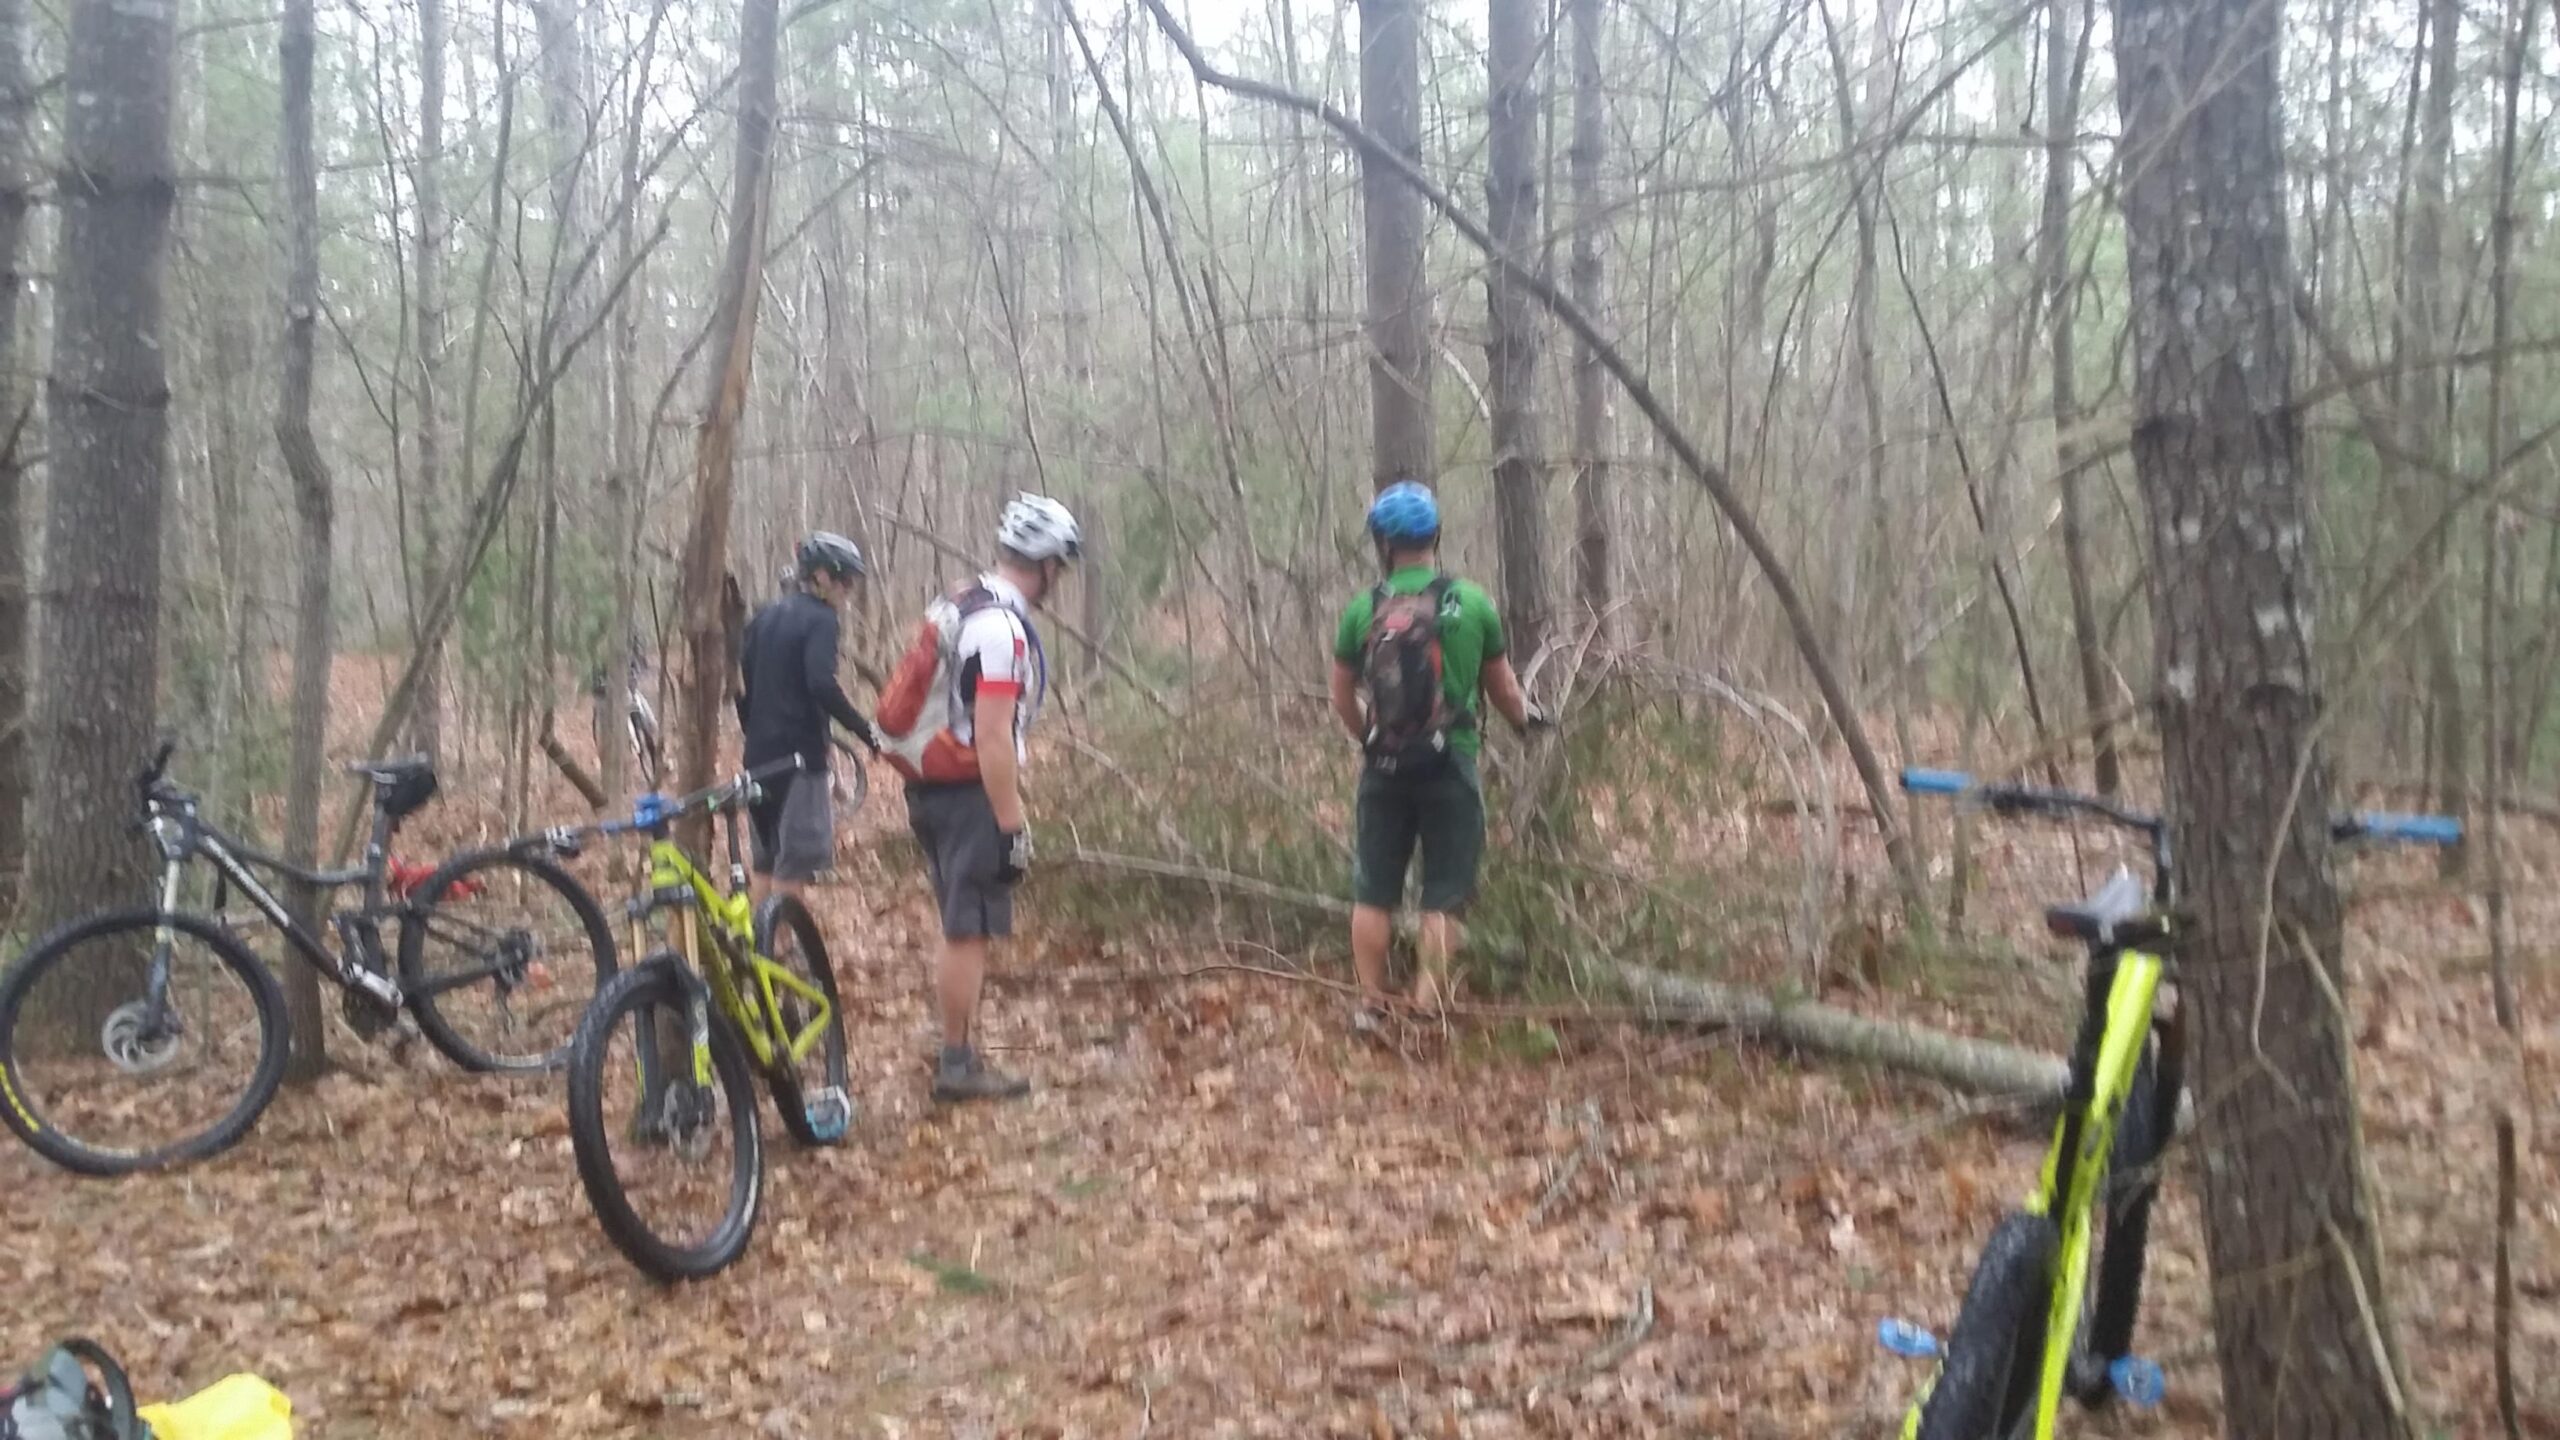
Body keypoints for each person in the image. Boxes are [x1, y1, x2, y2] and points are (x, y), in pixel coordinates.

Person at [874, 494, 1080, 1103]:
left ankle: (958, 1047)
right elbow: (992, 734)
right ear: (1043, 563)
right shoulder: (1003, 631)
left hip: (932, 786)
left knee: (958, 922)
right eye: (1059, 568)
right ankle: (957, 1061)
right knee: (969, 929)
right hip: (970, 793)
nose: (1058, 581)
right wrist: (1013, 824)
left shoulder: (961, 601)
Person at [1329, 480, 1547, 1030]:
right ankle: (1427, 1008)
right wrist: (1529, 723)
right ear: (1436, 536)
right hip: (1451, 762)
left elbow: (1340, 695)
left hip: (1383, 769)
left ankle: (1371, 1005)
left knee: (1374, 889)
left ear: (1383, 543)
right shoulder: (1472, 604)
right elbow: (1504, 692)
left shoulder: (1362, 611)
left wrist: (1369, 739)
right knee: (1443, 894)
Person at [736, 530, 879, 906]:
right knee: (792, 869)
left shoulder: (762, 618)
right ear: (819, 576)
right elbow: (821, 684)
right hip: (799, 764)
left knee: (766, 865)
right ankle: (784, 953)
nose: (848, 590)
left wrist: (753, 733)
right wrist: (867, 731)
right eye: (844, 579)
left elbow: (741, 689)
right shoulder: (822, 621)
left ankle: (759, 956)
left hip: (759, 759)